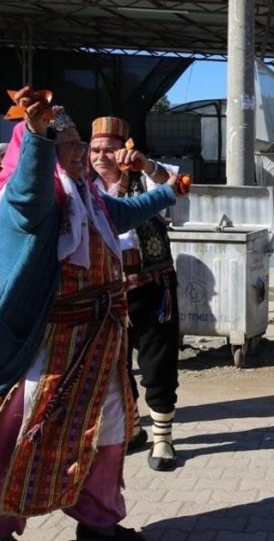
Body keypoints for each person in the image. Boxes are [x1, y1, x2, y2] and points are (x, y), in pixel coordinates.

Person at [0, 91, 188, 541]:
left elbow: (125, 211)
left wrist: (169, 191)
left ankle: (98, 523)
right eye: (68, 143)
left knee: (107, 434)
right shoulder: (31, 203)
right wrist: (35, 135)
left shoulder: (87, 196)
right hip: (47, 345)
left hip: (100, 339)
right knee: (19, 431)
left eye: (78, 143)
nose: (80, 152)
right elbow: (29, 189)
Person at [89, 116, 182, 471]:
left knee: (158, 363)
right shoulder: (85, 187)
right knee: (114, 364)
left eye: (109, 149)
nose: (101, 157)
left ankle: (163, 438)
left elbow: (176, 183)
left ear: (125, 149)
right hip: (107, 289)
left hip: (153, 286)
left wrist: (146, 164)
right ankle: (133, 428)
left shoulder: (144, 177)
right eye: (95, 150)